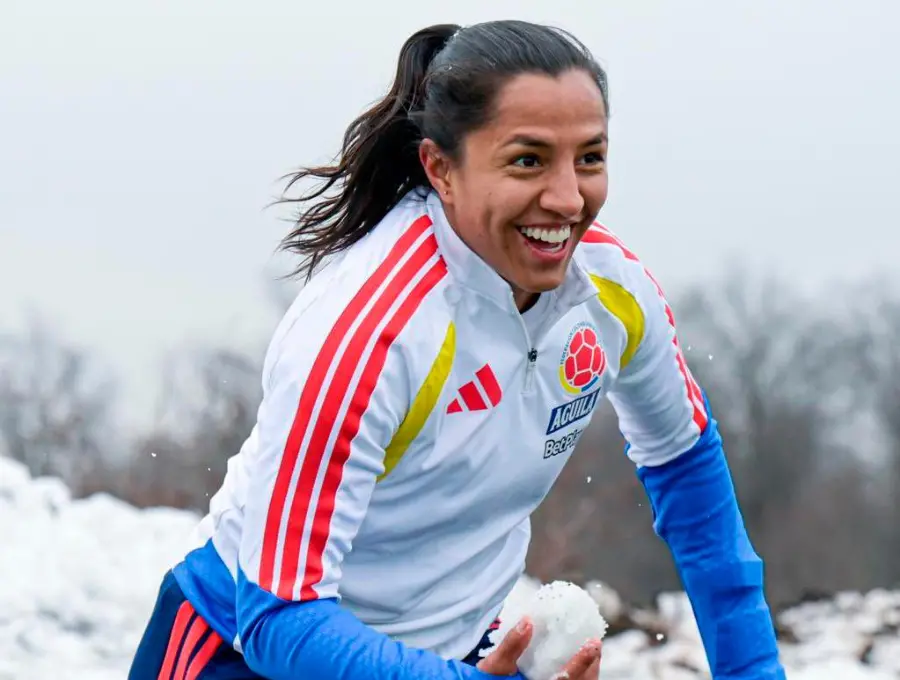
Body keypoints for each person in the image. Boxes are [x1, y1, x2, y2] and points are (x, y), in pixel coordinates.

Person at [129, 19, 786, 680]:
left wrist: (753, 669)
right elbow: (279, 615)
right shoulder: (369, 331)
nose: (567, 198)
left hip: (453, 655)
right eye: (528, 160)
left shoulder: (617, 296)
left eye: (589, 157)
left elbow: (687, 470)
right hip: (246, 651)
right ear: (441, 169)